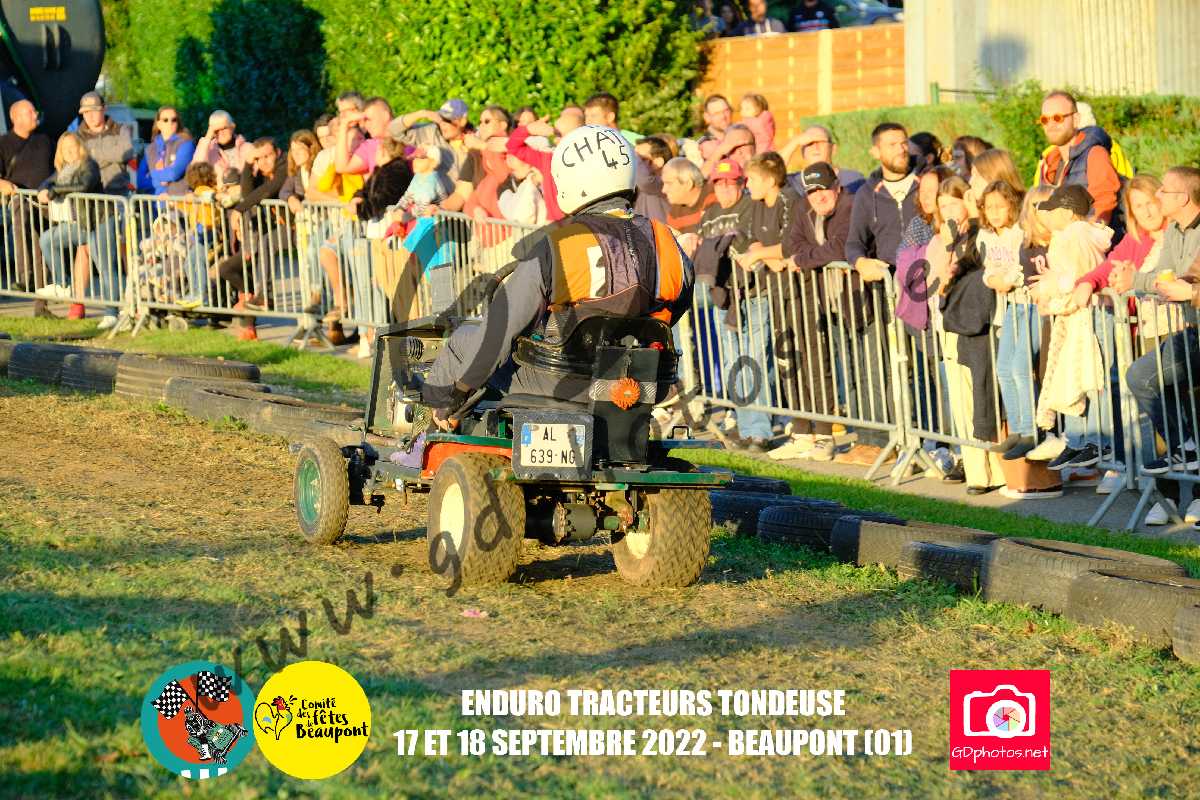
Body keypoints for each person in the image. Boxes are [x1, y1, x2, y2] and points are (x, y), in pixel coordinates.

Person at [421, 124, 693, 428]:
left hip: (564, 381)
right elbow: (669, 315)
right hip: (640, 383)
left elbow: (502, 329)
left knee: (463, 340)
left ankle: (428, 433)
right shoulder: (667, 241)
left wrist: (457, 394)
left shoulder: (560, 244)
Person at [1115, 166, 1200, 478]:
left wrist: (1190, 292)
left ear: (1184, 197)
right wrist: (1132, 279)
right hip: (1191, 332)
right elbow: (1167, 276)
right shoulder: (1175, 230)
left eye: (1164, 190)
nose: (1159, 194)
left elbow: (1187, 284)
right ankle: (1185, 448)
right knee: (1140, 375)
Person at [767, 162, 853, 461]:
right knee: (793, 360)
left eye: (823, 189)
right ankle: (802, 433)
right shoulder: (804, 207)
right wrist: (809, 257)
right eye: (812, 191)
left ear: (836, 186)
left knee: (819, 365)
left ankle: (825, 435)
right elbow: (792, 245)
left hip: (844, 300)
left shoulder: (849, 206)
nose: (818, 196)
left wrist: (803, 260)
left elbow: (840, 248)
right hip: (803, 295)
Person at [927, 176, 1006, 495]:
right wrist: (947, 246)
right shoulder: (940, 239)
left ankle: (998, 469)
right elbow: (936, 283)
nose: (947, 211)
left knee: (984, 395)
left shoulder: (978, 233)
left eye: (953, 203)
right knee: (962, 400)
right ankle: (977, 472)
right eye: (942, 205)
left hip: (978, 321)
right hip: (950, 323)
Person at [1028, 184, 1115, 473]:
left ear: (1066, 212)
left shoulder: (1076, 235)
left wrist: (1050, 289)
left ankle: (1097, 439)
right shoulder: (1070, 234)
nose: (1047, 215)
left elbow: (1080, 276)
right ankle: (1079, 439)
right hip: (1079, 314)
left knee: (1092, 376)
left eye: (1052, 210)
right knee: (1075, 375)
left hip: (1090, 314)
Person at [723, 152, 799, 451]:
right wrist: (766, 254)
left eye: (752, 179)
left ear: (770, 180)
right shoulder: (755, 205)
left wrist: (762, 254)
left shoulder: (789, 201)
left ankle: (763, 429)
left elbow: (790, 245)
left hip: (788, 293)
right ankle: (750, 428)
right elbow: (749, 239)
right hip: (758, 291)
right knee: (747, 360)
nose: (747, 185)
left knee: (765, 360)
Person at [977, 181, 1036, 461]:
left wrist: (1008, 280)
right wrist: (993, 280)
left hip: (1029, 303)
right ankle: (1016, 428)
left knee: (1020, 368)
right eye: (989, 207)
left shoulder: (1019, 232)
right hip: (1010, 306)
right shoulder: (986, 236)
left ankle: (1030, 430)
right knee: (1003, 368)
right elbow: (987, 269)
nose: (995, 212)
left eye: (1000, 206)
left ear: (1012, 206)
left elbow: (1023, 264)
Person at [216, 137, 288, 340]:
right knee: (228, 269)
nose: (263, 162)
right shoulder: (262, 175)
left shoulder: (284, 168)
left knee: (256, 258)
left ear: (277, 153)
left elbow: (268, 190)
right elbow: (248, 193)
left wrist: (239, 209)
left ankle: (256, 306)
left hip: (286, 230)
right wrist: (248, 164)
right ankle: (252, 301)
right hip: (258, 237)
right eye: (259, 158)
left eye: (267, 156)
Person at [74, 91, 134, 329]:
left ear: (104, 109)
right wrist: (106, 158)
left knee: (123, 251)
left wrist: (92, 156)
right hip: (90, 204)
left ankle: (128, 302)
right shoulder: (77, 135)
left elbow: (125, 152)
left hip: (117, 199)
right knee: (89, 250)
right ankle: (79, 302)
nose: (89, 116)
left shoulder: (120, 129)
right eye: (85, 112)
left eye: (94, 110)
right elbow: (74, 160)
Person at [35, 132, 101, 314]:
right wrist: (44, 191)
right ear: (60, 153)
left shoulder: (88, 165)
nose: (70, 152)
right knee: (46, 240)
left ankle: (114, 310)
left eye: (73, 147)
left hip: (89, 224)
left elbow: (84, 185)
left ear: (80, 148)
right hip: (73, 224)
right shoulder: (63, 171)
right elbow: (45, 184)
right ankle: (63, 284)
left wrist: (55, 190)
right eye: (65, 149)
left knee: (106, 267)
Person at [1035, 90, 1122, 225]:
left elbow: (1103, 210)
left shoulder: (1095, 155)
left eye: (1057, 118)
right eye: (1045, 120)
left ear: (1076, 119)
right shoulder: (1048, 162)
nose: (1051, 125)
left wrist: (1081, 234)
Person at [0, 99, 52, 311]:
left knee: (43, 245)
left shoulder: (45, 140)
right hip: (20, 201)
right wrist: (3, 184)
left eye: (34, 111)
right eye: (30, 112)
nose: (35, 115)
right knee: (23, 228)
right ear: (15, 118)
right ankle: (25, 277)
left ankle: (42, 297)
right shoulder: (3, 143)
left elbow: (57, 167)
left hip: (46, 202)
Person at [507, 105, 584, 222]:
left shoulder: (591, 160)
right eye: (557, 135)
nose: (557, 140)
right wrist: (529, 129)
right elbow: (513, 147)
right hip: (554, 224)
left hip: (580, 224)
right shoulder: (547, 158)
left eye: (563, 135)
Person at [441, 105, 511, 213]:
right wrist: (440, 209)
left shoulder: (513, 149)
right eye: (480, 122)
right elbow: (462, 194)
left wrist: (483, 146)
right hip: (483, 220)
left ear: (502, 125)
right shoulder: (475, 153)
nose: (481, 126)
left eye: (487, 121)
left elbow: (504, 178)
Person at [393, 98, 473, 181]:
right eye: (440, 119)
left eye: (447, 120)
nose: (442, 124)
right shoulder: (431, 133)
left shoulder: (476, 141)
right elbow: (394, 130)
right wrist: (421, 113)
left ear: (462, 121)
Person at [778, 125, 864, 194]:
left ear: (833, 149)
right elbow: (772, 170)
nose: (815, 147)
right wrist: (795, 142)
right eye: (809, 143)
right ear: (803, 153)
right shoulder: (795, 182)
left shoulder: (853, 179)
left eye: (820, 142)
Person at [142, 106, 195, 194]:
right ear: (158, 124)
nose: (170, 123)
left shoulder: (186, 144)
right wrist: (162, 190)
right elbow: (142, 180)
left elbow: (174, 173)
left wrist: (152, 174)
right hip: (158, 199)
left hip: (180, 199)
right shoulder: (150, 149)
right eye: (165, 120)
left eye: (174, 120)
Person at [661, 157, 715, 233]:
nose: (663, 190)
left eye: (669, 183)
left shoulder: (714, 197)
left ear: (688, 184)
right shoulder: (675, 214)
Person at [191, 110, 253, 175]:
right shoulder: (209, 152)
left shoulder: (248, 149)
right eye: (216, 130)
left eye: (224, 128)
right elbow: (195, 170)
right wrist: (207, 138)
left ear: (232, 127)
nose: (221, 133)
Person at [696, 95, 734, 163]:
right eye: (717, 113)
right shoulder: (700, 148)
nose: (723, 116)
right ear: (707, 117)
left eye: (726, 111)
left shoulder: (741, 137)